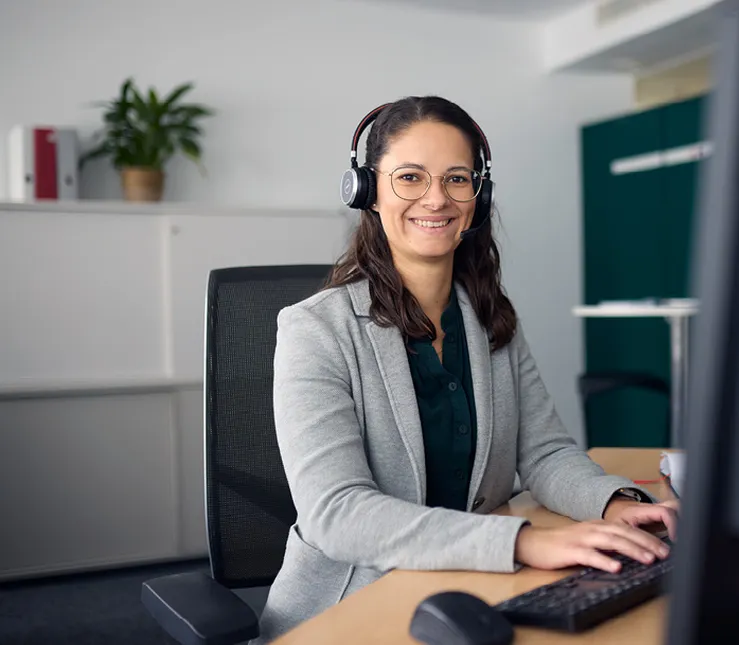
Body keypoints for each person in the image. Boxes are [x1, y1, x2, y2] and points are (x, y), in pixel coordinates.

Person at [253, 95, 679, 643]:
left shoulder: (489, 316)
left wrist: (613, 503)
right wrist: (522, 541)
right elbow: (336, 512)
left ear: (479, 196)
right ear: (368, 191)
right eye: (410, 177)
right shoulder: (316, 329)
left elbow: (544, 452)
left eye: (457, 179)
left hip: (469, 584)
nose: (437, 198)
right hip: (352, 605)